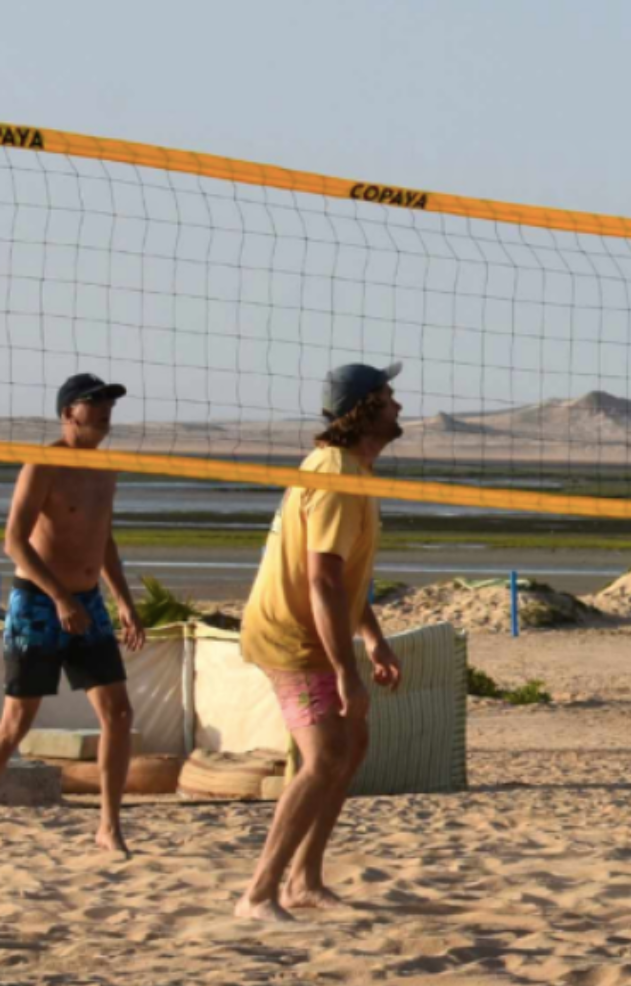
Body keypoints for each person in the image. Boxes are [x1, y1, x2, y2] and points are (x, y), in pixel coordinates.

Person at [234, 363, 405, 922]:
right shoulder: (334, 474)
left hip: (310, 628)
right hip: (289, 635)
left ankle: (303, 881)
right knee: (326, 753)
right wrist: (344, 670)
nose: (398, 404)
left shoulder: (351, 470)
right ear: (363, 409)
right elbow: (322, 581)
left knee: (351, 747)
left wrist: (373, 641)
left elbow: (345, 580)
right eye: (386, 395)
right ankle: (258, 892)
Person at [0, 374, 146, 857]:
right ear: (68, 414)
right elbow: (15, 541)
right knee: (16, 724)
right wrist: (60, 597)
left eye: (109, 403)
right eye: (94, 403)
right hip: (40, 602)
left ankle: (108, 826)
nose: (105, 410)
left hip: (88, 603)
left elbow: (103, 540)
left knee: (119, 713)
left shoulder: (106, 469)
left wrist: (123, 600)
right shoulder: (44, 463)